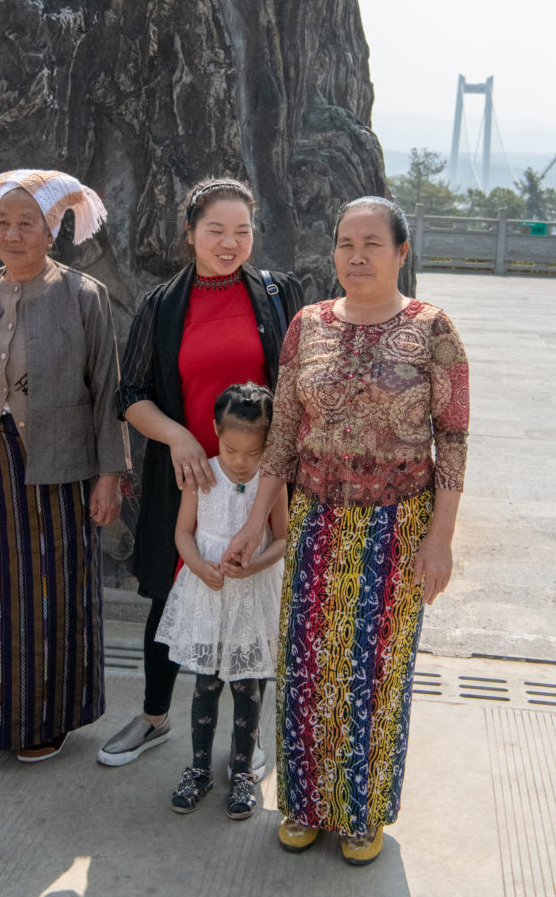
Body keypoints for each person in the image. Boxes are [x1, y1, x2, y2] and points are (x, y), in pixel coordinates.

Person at [224, 196, 469, 864]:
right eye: (343, 243)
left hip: (398, 524)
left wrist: (440, 539)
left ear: (400, 253)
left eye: (370, 243)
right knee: (306, 669)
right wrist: (252, 522)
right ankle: (305, 805)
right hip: (315, 522)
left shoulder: (433, 328)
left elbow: (451, 440)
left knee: (375, 672)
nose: (354, 255)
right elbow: (280, 439)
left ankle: (361, 814)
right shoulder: (305, 326)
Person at [97, 177, 303, 770]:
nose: (230, 242)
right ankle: (156, 717)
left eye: (242, 230)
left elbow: (295, 387)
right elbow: (130, 393)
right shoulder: (162, 305)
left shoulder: (278, 293)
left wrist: (279, 468)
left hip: (261, 479)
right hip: (185, 479)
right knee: (168, 590)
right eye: (216, 229)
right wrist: (178, 435)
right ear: (190, 234)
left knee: (255, 596)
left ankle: (251, 733)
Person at [0, 169, 131, 763]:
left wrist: (109, 475)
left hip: (59, 469)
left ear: (52, 231)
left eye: (28, 223)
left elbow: (107, 391)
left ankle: (51, 718)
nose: (13, 234)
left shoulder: (83, 296)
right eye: (3, 222)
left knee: (51, 594)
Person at [155, 382, 287, 819]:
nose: (242, 462)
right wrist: (195, 565)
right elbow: (182, 533)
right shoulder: (203, 476)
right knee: (205, 685)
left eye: (253, 453)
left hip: (251, 597)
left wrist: (255, 565)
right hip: (209, 597)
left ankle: (244, 771)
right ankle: (198, 768)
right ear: (215, 432)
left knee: (249, 687)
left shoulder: (271, 483)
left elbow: (284, 539)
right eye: (232, 450)